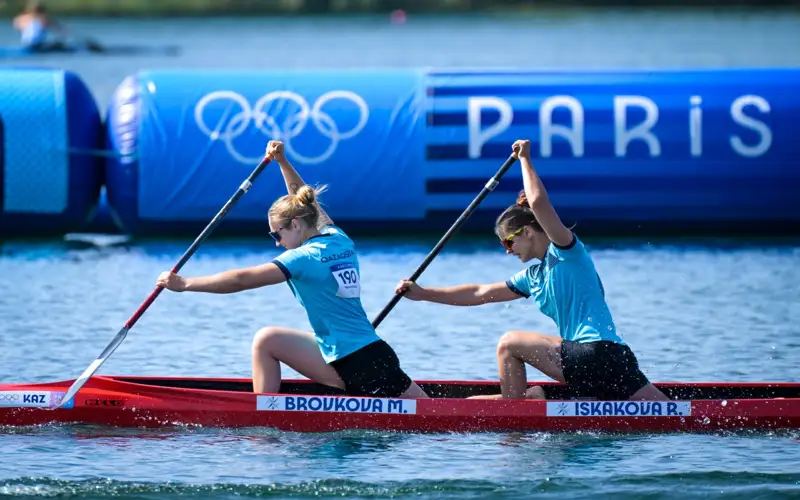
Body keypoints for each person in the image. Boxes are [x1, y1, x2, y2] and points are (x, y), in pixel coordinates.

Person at [395, 139, 668, 402]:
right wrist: (422, 293)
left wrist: (524, 159)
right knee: (672, 414)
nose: (507, 250)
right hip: (615, 359)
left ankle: (514, 413)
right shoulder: (532, 278)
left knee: (509, 343)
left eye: (507, 241)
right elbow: (480, 293)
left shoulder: (565, 252)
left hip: (592, 354)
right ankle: (530, 400)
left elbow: (538, 204)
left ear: (526, 231)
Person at [157, 140, 428, 400]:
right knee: (269, 338)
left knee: (267, 340)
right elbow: (305, 201)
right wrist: (282, 162)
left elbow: (240, 280)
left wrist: (185, 284)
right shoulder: (338, 238)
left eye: (277, 234)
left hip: (355, 361)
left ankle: (262, 411)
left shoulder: (302, 258)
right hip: (368, 352)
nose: (277, 243)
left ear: (296, 225)